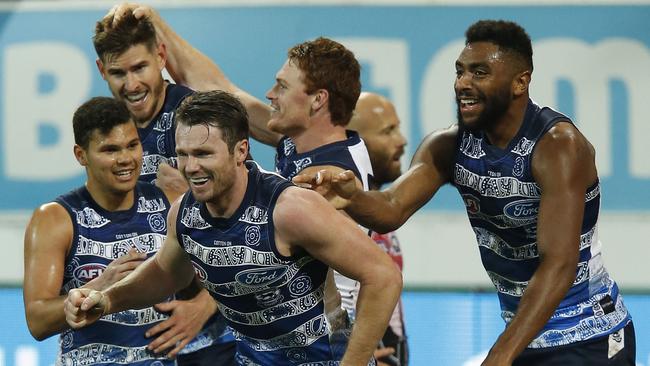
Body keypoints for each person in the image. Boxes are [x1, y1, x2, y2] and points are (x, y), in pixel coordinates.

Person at [295, 20, 635, 365]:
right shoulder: (449, 145)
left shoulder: (559, 147)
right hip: (524, 338)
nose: (463, 83)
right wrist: (351, 196)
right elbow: (391, 209)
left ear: (521, 82)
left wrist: (499, 357)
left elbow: (558, 266)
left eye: (480, 72)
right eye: (460, 71)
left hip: (590, 336)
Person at [63, 90, 402, 366]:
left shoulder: (291, 209)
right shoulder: (184, 213)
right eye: (183, 154)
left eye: (203, 154)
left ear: (241, 151)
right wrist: (106, 299)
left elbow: (382, 276)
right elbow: (167, 273)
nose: (191, 168)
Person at [108, 3, 376, 338]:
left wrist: (190, 201)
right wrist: (153, 20)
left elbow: (265, 261)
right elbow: (218, 88)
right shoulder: (299, 141)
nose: (270, 95)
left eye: (282, 87)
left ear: (317, 100)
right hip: (283, 335)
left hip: (324, 335)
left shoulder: (333, 172)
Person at [93, 9, 236, 364]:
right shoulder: (109, 132)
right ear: (101, 71)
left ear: (160, 56)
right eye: (117, 73)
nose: (131, 85)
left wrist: (204, 307)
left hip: (218, 336)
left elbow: (254, 222)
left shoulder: (199, 117)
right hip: (146, 340)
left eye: (139, 68)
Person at [23, 96, 192, 365]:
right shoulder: (55, 219)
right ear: (81, 155)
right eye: (110, 150)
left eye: (132, 145)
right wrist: (101, 285)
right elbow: (37, 321)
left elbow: (209, 276)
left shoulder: (170, 203)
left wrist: (201, 306)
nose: (125, 159)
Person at [347, 92, 409, 366]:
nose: (403, 140)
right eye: (388, 131)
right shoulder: (338, 213)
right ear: (355, 143)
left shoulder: (379, 212)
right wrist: (358, 357)